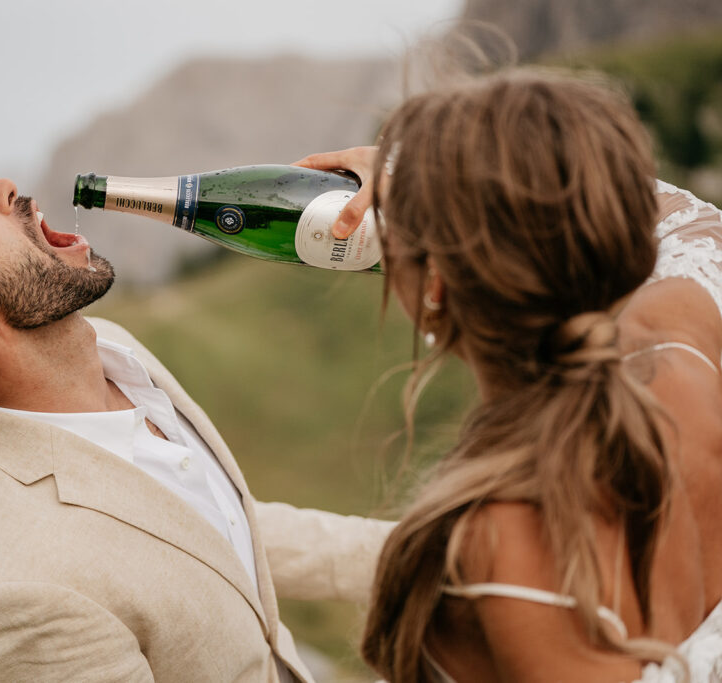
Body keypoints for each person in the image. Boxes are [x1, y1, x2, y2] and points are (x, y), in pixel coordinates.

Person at [0, 174, 395, 681]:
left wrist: (434, 550)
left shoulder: (111, 352)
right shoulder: (4, 596)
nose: (3, 187)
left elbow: (214, 535)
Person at [296, 68, 722, 682]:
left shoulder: (503, 540)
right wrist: (451, 182)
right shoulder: (678, 355)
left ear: (436, 282)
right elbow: (691, 224)